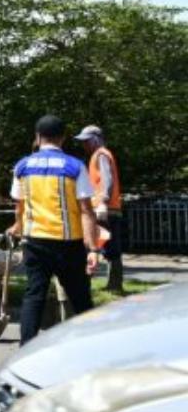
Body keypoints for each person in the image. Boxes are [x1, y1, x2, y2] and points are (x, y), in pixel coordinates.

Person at [7, 115, 101, 345]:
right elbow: (87, 211)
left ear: (38, 137)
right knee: (80, 297)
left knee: (34, 296)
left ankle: (26, 347)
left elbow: (19, 206)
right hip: (69, 244)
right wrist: (93, 249)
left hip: (35, 242)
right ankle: (94, 346)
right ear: (64, 138)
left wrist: (17, 227)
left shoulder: (23, 166)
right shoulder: (74, 166)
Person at [75, 125, 124, 293]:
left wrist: (103, 201)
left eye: (86, 141)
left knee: (91, 246)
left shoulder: (101, 154)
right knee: (110, 248)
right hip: (110, 208)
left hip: (104, 209)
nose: (84, 145)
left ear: (96, 139)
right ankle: (114, 285)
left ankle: (86, 285)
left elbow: (107, 178)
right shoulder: (101, 154)